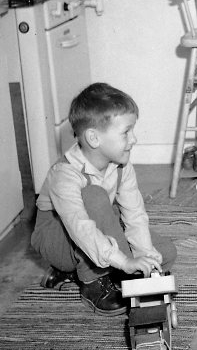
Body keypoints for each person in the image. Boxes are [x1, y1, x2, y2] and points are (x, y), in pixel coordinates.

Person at [32, 83, 177, 316]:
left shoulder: (122, 165)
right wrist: (124, 261)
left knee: (165, 254)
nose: (134, 139)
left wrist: (143, 254)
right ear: (94, 138)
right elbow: (80, 228)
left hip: (95, 222)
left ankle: (109, 267)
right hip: (58, 235)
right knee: (94, 196)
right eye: (126, 132)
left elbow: (134, 213)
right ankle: (91, 281)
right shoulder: (65, 174)